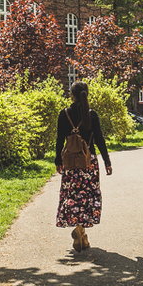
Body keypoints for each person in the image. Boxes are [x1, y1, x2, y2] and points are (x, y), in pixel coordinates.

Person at [54, 81, 113, 252]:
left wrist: (58, 161)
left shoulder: (64, 114)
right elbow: (100, 139)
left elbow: (59, 140)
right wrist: (107, 161)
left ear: (71, 95)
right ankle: (82, 232)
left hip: (70, 163)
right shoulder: (91, 115)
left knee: (71, 195)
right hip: (89, 162)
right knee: (88, 195)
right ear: (86, 94)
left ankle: (80, 231)